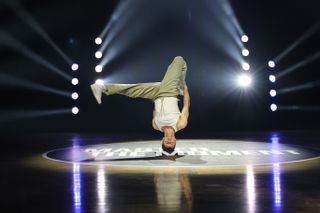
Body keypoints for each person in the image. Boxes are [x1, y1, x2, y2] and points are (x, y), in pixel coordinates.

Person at [90, 56, 190, 155]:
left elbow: (155, 110)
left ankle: (101, 87)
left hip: (156, 95)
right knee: (179, 60)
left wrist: (156, 99)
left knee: (133, 91)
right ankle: (180, 84)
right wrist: (185, 89)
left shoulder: (156, 126)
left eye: (167, 142)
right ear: (175, 141)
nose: (169, 140)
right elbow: (186, 105)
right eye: (171, 143)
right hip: (169, 91)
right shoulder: (180, 124)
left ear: (162, 140)